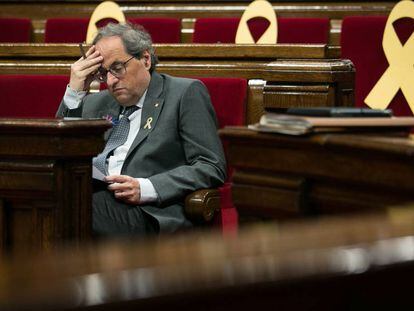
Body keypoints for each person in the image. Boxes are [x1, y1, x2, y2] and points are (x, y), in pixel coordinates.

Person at [56, 22, 226, 237]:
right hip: (91, 195)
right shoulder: (93, 103)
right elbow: (58, 152)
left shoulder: (183, 93)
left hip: (146, 212)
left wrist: (147, 188)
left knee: (73, 208)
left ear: (145, 59)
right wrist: (75, 90)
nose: (110, 81)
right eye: (102, 73)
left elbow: (210, 165)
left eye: (117, 68)